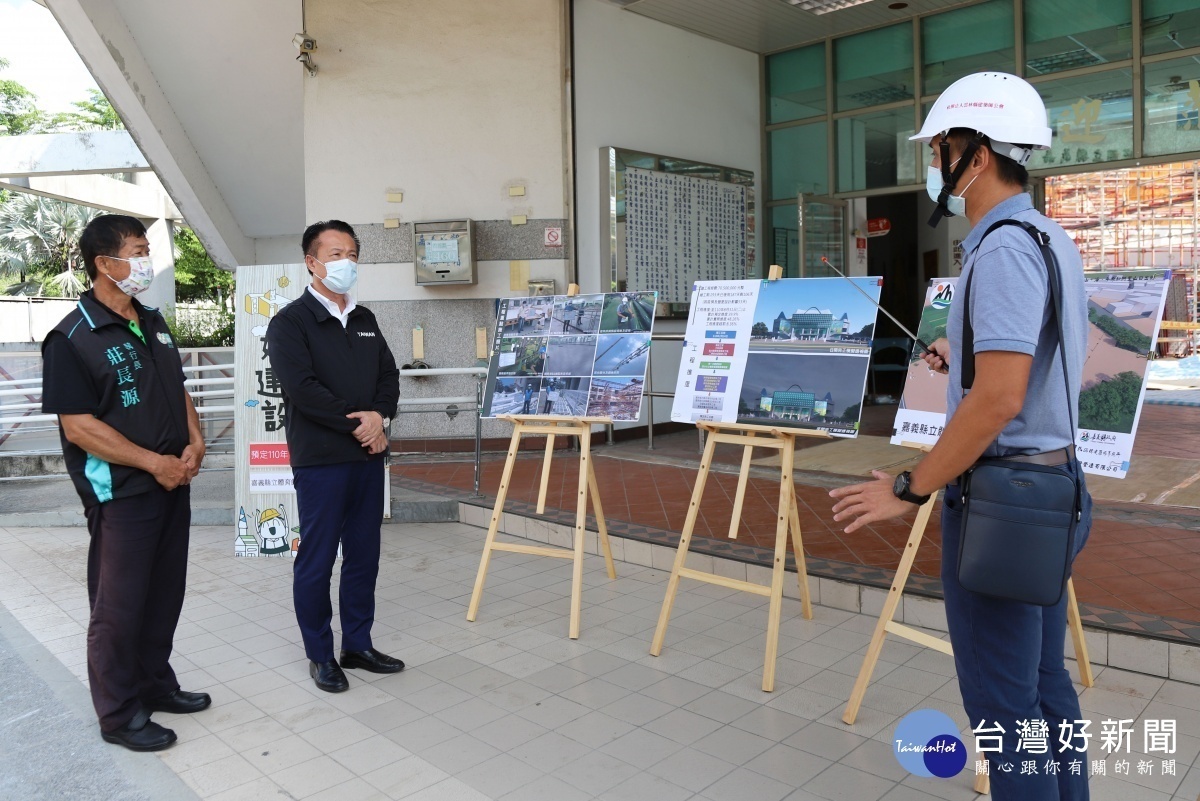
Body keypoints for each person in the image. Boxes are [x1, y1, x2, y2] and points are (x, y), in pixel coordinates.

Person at [829, 72, 1092, 801]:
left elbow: (1001, 398)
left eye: (941, 145)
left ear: (976, 155)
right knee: (1042, 694)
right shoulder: (1046, 236)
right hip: (1046, 494)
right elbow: (1028, 368)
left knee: (1008, 719)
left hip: (1006, 507)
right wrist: (961, 357)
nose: (934, 160)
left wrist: (910, 487)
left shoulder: (1002, 245)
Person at [40, 214, 209, 752]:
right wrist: (151, 463)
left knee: (164, 594)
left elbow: (175, 386)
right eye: (137, 252)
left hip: (172, 482)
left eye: (146, 251)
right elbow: (79, 426)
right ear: (104, 264)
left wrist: (195, 440)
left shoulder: (152, 321)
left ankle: (155, 684)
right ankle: (117, 714)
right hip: (122, 493)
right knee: (118, 606)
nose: (146, 263)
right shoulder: (71, 338)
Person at [266, 220, 403, 693]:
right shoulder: (290, 323)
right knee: (319, 559)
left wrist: (380, 416)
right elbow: (303, 390)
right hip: (322, 459)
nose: (346, 262)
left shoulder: (365, 319)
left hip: (368, 458)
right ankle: (321, 654)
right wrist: (362, 425)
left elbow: (389, 376)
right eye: (335, 253)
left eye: (352, 253)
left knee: (365, 555)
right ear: (312, 262)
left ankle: (358, 644)